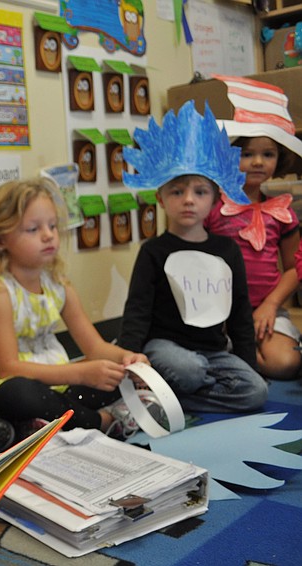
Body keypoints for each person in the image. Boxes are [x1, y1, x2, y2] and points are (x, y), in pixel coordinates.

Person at [0, 177, 151, 439]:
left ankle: (38, 425)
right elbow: (8, 369)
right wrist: (81, 373)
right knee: (19, 395)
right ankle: (102, 421)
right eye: (33, 229)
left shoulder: (58, 284)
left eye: (53, 226)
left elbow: (95, 347)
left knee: (115, 375)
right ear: (0, 240)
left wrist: (128, 360)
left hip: (55, 382)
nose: (48, 235)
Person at [119, 101, 268, 413]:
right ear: (160, 198)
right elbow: (137, 309)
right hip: (166, 348)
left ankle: (168, 398)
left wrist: (247, 364)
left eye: (200, 192)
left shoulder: (227, 250)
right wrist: (130, 356)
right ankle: (172, 387)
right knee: (188, 369)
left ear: (214, 199)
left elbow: (240, 311)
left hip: (213, 352)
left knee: (256, 392)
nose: (188, 200)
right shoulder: (153, 251)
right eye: (177, 192)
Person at [203, 75, 302, 381]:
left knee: (284, 364)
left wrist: (271, 306)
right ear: (230, 155)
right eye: (248, 154)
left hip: (266, 310)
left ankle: (237, 357)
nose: (258, 162)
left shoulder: (282, 213)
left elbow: (294, 268)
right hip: (218, 312)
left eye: (268, 154)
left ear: (279, 159)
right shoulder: (213, 206)